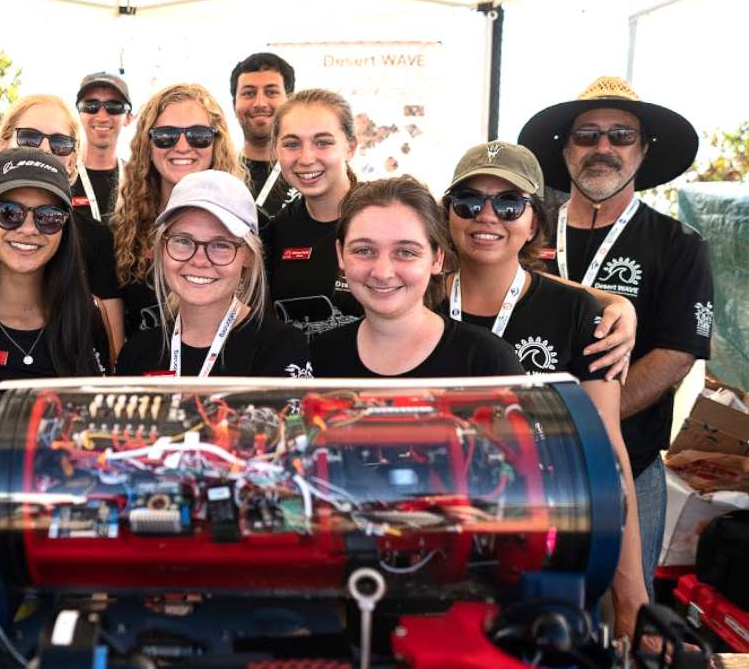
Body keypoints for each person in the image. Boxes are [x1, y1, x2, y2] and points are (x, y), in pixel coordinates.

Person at [441, 141, 648, 635]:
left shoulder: (581, 315)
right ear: (447, 215)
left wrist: (632, 597)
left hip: (546, 552)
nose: (486, 215)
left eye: (509, 203)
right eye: (467, 202)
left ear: (535, 222)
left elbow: (609, 454)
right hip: (440, 544)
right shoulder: (417, 303)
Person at [518, 76, 712, 601]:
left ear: (644, 150)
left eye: (621, 135)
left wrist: (584, 423)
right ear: (565, 150)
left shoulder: (678, 243)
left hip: (627, 463)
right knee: (525, 609)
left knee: (623, 615)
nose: (603, 148)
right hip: (522, 466)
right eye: (587, 135)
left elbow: (676, 354)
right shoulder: (521, 230)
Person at [0, 148, 110, 450]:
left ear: (64, 229)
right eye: (9, 214)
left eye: (48, 217)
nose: (28, 229)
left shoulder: (88, 316)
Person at [310, 175, 524, 378]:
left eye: (406, 252)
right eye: (364, 250)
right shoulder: (318, 358)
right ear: (340, 254)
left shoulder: (488, 361)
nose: (383, 272)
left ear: (437, 259)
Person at [116, 170, 311, 378]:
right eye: (183, 241)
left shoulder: (282, 348)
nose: (199, 260)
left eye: (220, 245)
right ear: (161, 248)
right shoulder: (136, 354)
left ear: (248, 255)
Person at [111, 83, 248, 339]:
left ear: (215, 142)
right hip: (144, 373)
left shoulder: (249, 222)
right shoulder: (122, 229)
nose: (183, 146)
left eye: (198, 135)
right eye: (166, 135)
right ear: (147, 145)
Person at [0, 94, 124, 351]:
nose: (44, 150)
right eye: (29, 137)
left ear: (74, 159)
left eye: (61, 144)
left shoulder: (96, 240)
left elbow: (113, 356)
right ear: (2, 145)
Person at [262, 88, 363, 340]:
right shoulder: (276, 230)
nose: (306, 158)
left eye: (323, 142)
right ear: (276, 150)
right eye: (292, 144)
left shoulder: (385, 216)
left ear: (350, 147)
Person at [230, 51, 299, 215]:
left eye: (271, 92)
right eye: (248, 93)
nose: (260, 103)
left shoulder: (308, 170)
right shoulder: (220, 171)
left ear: (290, 102)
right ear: (234, 104)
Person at [72, 72, 132, 222]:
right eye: (91, 106)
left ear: (128, 118)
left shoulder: (137, 180)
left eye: (114, 106)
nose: (102, 117)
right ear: (79, 114)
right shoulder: (63, 177)